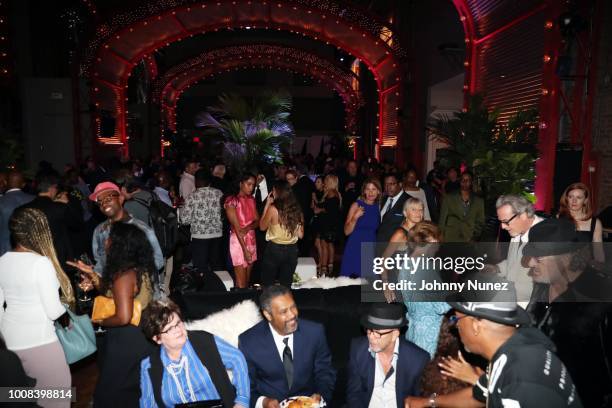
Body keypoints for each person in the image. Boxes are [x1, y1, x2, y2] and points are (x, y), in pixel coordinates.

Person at [405, 281, 582, 408]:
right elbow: (479, 395)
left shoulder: (521, 384)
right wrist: (428, 402)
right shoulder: (513, 350)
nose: (455, 325)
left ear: (476, 325)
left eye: (456, 319)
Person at [524, 218, 612, 407]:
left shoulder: (601, 295)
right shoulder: (542, 284)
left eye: (538, 258)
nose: (530, 263)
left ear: (566, 257)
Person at [75, 223, 156, 407]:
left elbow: (123, 317)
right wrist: (91, 274)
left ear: (120, 244)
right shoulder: (137, 268)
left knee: (112, 390)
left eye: (110, 239)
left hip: (127, 337)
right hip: (139, 332)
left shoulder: (125, 275)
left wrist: (98, 320)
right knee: (133, 387)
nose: (106, 242)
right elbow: (112, 292)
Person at [0, 207, 73, 408]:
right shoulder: (40, 263)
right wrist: (66, 307)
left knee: (20, 400)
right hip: (40, 343)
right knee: (56, 400)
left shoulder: (2, 261)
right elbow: (53, 311)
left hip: (9, 344)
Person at [238, 285, 336, 407]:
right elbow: (245, 387)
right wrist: (263, 402)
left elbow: (325, 372)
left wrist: (320, 395)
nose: (292, 315)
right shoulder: (249, 342)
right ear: (268, 315)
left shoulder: (314, 332)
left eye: (293, 307)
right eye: (284, 311)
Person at [140, 300, 250, 408]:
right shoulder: (149, 366)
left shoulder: (205, 341)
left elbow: (237, 358)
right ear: (157, 338)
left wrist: (242, 401)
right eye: (169, 329)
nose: (178, 329)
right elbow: (148, 404)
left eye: (178, 323)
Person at [70, 182, 164, 291]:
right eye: (99, 202)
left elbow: (158, 261)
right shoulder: (100, 231)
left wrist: (128, 272)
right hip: (114, 292)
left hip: (141, 294)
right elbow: (101, 261)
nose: (104, 204)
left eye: (108, 198)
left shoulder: (141, 229)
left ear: (120, 199)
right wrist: (94, 278)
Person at [346, 303, 429, 408]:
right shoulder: (358, 349)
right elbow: (354, 394)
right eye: (369, 330)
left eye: (378, 333)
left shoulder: (418, 359)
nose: (371, 337)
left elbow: (420, 401)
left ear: (394, 334)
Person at [485, 194, 544, 304]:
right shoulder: (517, 232)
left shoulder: (545, 237)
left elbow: (540, 288)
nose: (502, 227)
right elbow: (513, 263)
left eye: (506, 221)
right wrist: (497, 268)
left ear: (523, 215)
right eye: (501, 221)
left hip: (528, 308)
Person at [22, 173, 78, 269]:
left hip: (33, 259)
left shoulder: (22, 210)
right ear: (52, 188)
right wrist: (67, 204)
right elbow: (77, 225)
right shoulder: (59, 208)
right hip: (58, 260)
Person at [259, 181, 304, 287]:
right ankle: (285, 303)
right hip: (291, 250)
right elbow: (301, 235)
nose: (272, 192)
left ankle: (268, 303)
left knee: (268, 282)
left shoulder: (273, 209)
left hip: (274, 249)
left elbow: (262, 227)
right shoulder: (296, 209)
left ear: (278, 192)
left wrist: (267, 205)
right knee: (286, 283)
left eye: (273, 190)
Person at [180, 169, 223, 276]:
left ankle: (203, 290)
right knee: (216, 266)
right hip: (217, 235)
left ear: (196, 181)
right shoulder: (219, 193)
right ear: (209, 181)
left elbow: (184, 220)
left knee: (200, 268)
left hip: (199, 236)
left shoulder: (192, 196)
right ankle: (218, 289)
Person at [340, 178, 382, 278]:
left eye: (374, 189)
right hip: (354, 246)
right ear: (364, 191)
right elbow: (346, 232)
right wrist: (355, 217)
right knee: (349, 282)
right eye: (368, 189)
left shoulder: (379, 207)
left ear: (378, 191)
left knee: (368, 282)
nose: (371, 192)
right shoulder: (356, 205)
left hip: (369, 248)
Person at [225, 173, 259, 288]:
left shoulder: (251, 199)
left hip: (251, 239)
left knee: (247, 281)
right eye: (248, 184)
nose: (251, 187)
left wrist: (249, 227)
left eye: (253, 185)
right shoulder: (231, 201)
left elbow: (257, 221)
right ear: (240, 184)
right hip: (239, 242)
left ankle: (247, 303)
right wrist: (245, 250)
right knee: (241, 283)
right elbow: (237, 229)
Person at [557, 182, 605, 263]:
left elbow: (598, 252)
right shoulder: (558, 218)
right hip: (560, 266)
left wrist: (599, 268)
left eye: (579, 197)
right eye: (570, 197)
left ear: (585, 200)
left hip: (584, 266)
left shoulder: (595, 223)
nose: (574, 200)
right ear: (566, 199)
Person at [438, 171, 484, 242]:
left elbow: (480, 222)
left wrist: (475, 236)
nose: (464, 181)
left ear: (471, 182)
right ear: (460, 181)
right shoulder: (449, 198)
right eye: (462, 179)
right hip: (450, 235)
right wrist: (440, 235)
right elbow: (442, 219)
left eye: (467, 180)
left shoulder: (478, 201)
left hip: (469, 236)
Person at [0, 171, 35, 255]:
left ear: (5, 182)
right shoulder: (34, 199)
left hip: (4, 250)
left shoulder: (1, 201)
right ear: (23, 184)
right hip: (31, 249)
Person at [313, 174, 342, 276]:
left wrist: (320, 209)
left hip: (327, 223)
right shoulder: (334, 193)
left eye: (326, 180)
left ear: (330, 182)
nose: (324, 182)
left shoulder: (332, 193)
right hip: (330, 223)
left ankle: (324, 268)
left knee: (324, 245)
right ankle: (329, 266)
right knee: (329, 244)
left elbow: (331, 209)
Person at [286, 167, 315, 257]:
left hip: (298, 218)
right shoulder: (294, 188)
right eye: (287, 179)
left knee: (298, 242)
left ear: (296, 178)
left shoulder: (295, 189)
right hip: (300, 217)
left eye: (291, 178)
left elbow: (299, 205)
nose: (289, 181)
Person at [376, 173, 411, 246]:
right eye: (385, 184)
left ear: (400, 184)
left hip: (395, 248)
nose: (388, 187)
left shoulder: (409, 201)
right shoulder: (383, 199)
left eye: (391, 184)